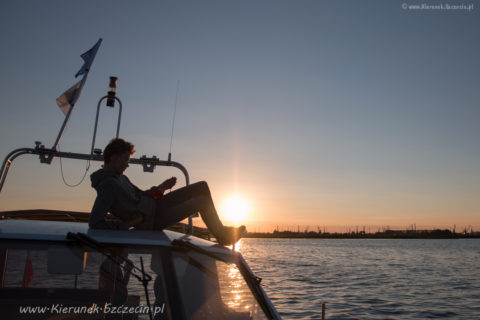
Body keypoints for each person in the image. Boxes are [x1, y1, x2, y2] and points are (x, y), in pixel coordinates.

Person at [89, 138, 245, 245]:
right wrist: (129, 224)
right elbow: (95, 223)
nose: (127, 165)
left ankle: (221, 230)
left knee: (202, 186)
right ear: (114, 158)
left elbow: (142, 195)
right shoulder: (108, 185)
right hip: (151, 220)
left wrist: (162, 187)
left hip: (155, 206)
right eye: (125, 160)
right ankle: (223, 237)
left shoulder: (120, 178)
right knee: (202, 202)